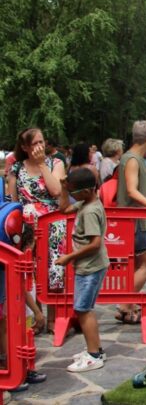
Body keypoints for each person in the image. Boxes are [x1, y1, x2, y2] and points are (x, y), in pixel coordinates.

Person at [8, 128, 67, 332]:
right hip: (27, 225)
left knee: (54, 269)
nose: (40, 146)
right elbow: (13, 201)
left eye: (42, 141)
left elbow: (57, 191)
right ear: (25, 147)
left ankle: (53, 319)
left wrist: (42, 164)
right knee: (30, 270)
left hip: (52, 224)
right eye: (35, 143)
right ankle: (36, 314)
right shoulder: (16, 168)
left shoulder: (55, 163)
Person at [55, 168, 108, 372]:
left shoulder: (91, 211)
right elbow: (64, 209)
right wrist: (62, 187)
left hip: (90, 267)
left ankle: (94, 355)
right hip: (88, 266)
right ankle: (96, 350)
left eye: (73, 192)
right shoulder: (85, 203)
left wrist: (69, 257)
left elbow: (95, 243)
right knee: (84, 308)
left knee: (83, 310)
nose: (71, 195)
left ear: (86, 191)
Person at [116, 120, 146, 323]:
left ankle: (129, 303)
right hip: (136, 221)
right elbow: (131, 189)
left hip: (135, 220)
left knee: (137, 266)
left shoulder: (132, 159)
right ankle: (124, 304)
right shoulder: (133, 160)